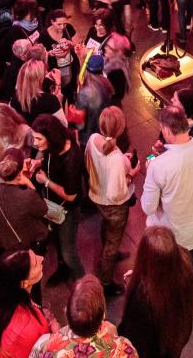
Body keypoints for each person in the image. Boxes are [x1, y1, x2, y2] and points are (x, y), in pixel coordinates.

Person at [141, 104, 193, 316]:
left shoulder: (158, 166)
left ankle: (168, 306)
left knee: (165, 271)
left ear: (167, 130)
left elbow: (148, 206)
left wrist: (151, 172)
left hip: (167, 234)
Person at [118, 225, 193, 358]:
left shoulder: (142, 297)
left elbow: (134, 339)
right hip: (177, 335)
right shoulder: (185, 261)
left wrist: (133, 283)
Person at [85, 106, 138, 295]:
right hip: (114, 206)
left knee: (106, 226)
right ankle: (106, 283)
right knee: (112, 243)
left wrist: (123, 158)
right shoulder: (116, 159)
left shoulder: (93, 140)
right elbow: (117, 193)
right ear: (120, 129)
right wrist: (132, 174)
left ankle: (108, 253)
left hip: (97, 196)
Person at [31, 114, 86, 285]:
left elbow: (71, 195)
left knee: (69, 252)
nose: (35, 143)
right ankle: (63, 270)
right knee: (59, 241)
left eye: (39, 139)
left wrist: (46, 181)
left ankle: (84, 284)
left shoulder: (71, 159)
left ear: (50, 137)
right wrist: (37, 163)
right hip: (53, 204)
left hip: (67, 210)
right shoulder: (55, 145)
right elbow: (49, 160)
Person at [28, 276, 137, 357]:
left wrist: (57, 334)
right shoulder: (125, 348)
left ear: (66, 312)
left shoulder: (44, 345)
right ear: (103, 314)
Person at [0, 148, 49, 258]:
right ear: (19, 173)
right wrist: (30, 184)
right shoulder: (27, 196)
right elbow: (44, 210)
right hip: (26, 244)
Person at [0, 249, 56, 358]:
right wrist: (56, 333)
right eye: (35, 263)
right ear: (24, 283)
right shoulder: (25, 331)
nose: (41, 258)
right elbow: (39, 354)